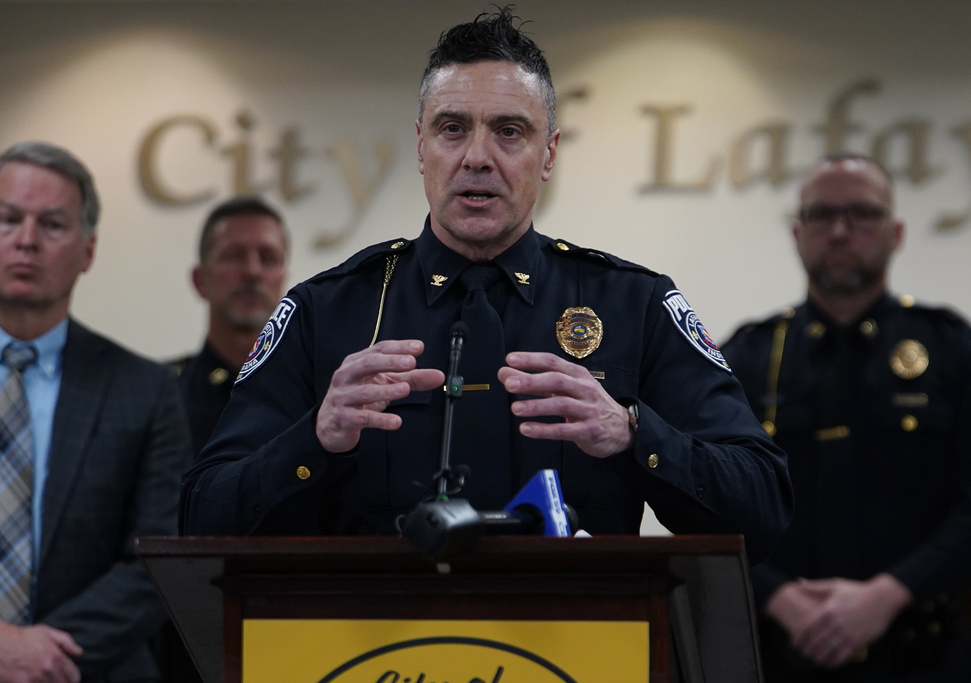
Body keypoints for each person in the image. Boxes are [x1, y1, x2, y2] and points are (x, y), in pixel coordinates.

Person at [181, 8, 791, 563]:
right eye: (452, 129)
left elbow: (763, 504)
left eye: (508, 131)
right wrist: (313, 440)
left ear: (548, 154)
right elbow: (202, 517)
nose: (477, 156)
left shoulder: (634, 304)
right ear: (421, 146)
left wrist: (632, 436)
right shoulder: (325, 310)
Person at [0, 142, 191, 683]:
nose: (27, 240)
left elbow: (159, 557)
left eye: (53, 225)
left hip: (90, 669)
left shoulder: (146, 389)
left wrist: (39, 659)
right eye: (8, 219)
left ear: (87, 251)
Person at [722, 153, 971, 681]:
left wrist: (885, 596)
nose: (840, 231)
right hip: (775, 653)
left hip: (926, 655)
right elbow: (713, 503)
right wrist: (780, 595)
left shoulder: (952, 351)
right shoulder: (746, 358)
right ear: (796, 232)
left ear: (897, 231)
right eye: (821, 215)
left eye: (862, 213)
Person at [173, 196, 289, 458]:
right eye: (233, 256)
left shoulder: (316, 397)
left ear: (284, 280)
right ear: (199, 280)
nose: (252, 271)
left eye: (268, 258)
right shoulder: (159, 399)